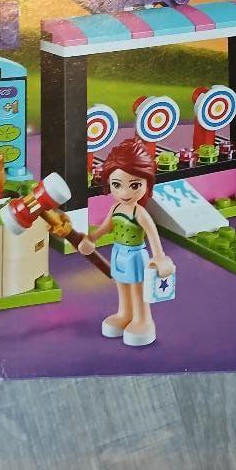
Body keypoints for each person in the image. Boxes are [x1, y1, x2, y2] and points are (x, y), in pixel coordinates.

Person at [78, 138, 175, 347]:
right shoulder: (115, 208)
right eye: (116, 185)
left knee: (137, 289)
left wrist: (159, 257)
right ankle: (125, 314)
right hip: (118, 253)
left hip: (136, 255)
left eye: (134, 185)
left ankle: (143, 320)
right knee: (121, 285)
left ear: (147, 183)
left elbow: (152, 234)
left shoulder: (139, 213)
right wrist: (91, 238)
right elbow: (105, 227)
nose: (124, 193)